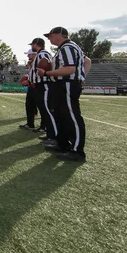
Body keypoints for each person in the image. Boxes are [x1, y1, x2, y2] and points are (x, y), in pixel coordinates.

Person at [37, 27, 87, 162]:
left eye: (51, 35)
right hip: (61, 84)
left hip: (67, 84)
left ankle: (77, 151)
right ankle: (63, 144)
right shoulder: (65, 48)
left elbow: (70, 69)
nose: (49, 38)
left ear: (59, 34)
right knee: (61, 116)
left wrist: (47, 73)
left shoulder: (67, 47)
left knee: (71, 116)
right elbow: (86, 61)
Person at [28, 38, 57, 143]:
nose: (31, 46)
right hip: (40, 85)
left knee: (47, 111)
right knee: (45, 111)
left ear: (36, 44)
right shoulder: (41, 54)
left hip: (43, 84)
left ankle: (54, 136)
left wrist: (44, 72)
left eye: (32, 44)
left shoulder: (42, 54)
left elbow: (46, 64)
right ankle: (49, 133)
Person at [19, 49, 38, 130]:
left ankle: (45, 127)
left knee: (41, 108)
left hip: (38, 87)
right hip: (32, 87)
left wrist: (28, 81)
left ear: (34, 54)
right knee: (29, 106)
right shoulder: (33, 64)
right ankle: (30, 124)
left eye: (29, 54)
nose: (28, 56)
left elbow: (39, 76)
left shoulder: (38, 63)